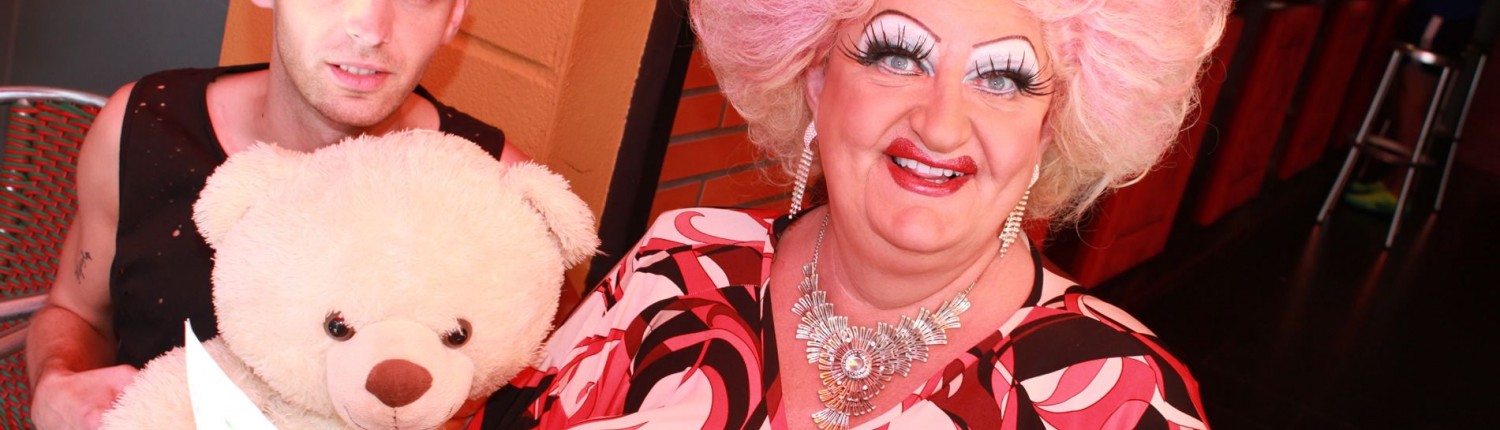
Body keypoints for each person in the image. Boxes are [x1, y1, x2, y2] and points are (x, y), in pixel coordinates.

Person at [476, 0, 1227, 428]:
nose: (941, 126)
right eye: (898, 57)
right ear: (815, 79)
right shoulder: (674, 268)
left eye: (1002, 78)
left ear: (1050, 125)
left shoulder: (1119, 396)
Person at [25, 0, 528, 428]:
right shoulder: (144, 125)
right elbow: (76, 312)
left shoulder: (499, 194)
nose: (371, 28)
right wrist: (55, 384)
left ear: (454, 13)